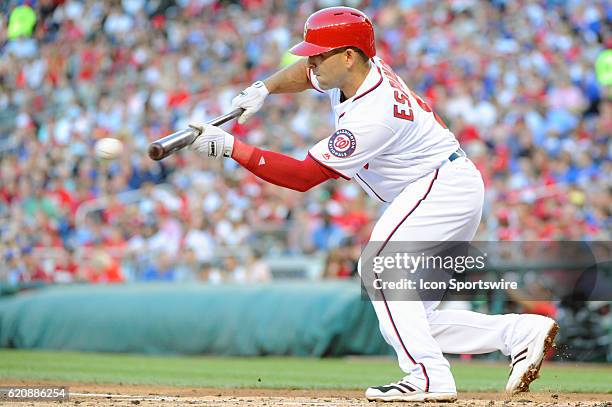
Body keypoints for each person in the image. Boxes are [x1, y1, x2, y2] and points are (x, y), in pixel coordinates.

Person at [189, 7, 558, 402]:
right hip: (445, 185)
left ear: (348, 55)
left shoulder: (374, 112)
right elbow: (306, 74)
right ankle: (519, 334)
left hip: (439, 186)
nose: (310, 60)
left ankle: (429, 378)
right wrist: (265, 88)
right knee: (409, 316)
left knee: (379, 268)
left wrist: (232, 148)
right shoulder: (354, 70)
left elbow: (301, 177)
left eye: (319, 53)